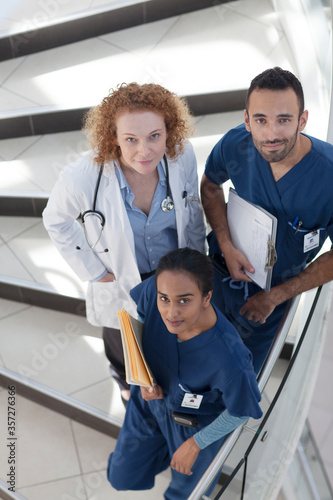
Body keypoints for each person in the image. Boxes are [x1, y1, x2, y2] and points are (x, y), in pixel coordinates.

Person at [42, 83, 206, 405]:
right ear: (113, 137)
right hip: (119, 279)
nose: (144, 151)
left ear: (169, 131)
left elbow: (193, 206)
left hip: (171, 272)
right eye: (131, 139)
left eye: (154, 136)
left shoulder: (181, 155)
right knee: (122, 340)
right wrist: (93, 268)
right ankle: (124, 381)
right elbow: (55, 220)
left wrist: (199, 262)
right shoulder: (82, 177)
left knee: (168, 334)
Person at [201, 67, 333, 374]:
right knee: (197, 358)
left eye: (284, 120)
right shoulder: (236, 145)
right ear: (247, 120)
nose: (271, 134)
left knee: (242, 375)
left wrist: (276, 297)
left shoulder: (328, 175)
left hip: (272, 297)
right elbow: (210, 186)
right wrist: (225, 244)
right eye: (260, 120)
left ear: (303, 120)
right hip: (219, 273)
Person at [107, 248, 262, 499]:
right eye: (164, 299)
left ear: (206, 297)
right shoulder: (154, 292)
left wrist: (195, 444)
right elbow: (143, 317)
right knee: (122, 475)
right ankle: (161, 452)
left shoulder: (229, 358)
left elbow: (242, 410)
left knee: (186, 495)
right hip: (151, 402)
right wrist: (143, 379)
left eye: (184, 300)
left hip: (195, 426)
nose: (171, 312)